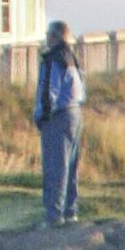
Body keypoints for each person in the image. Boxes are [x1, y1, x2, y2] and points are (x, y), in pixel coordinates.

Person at [34, 20, 86, 225]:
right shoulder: (72, 58)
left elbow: (49, 93)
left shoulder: (53, 59)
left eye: (48, 34)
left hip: (59, 116)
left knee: (56, 166)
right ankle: (70, 211)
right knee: (71, 166)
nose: (46, 37)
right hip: (76, 113)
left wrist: (42, 117)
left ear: (55, 37)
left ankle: (54, 215)